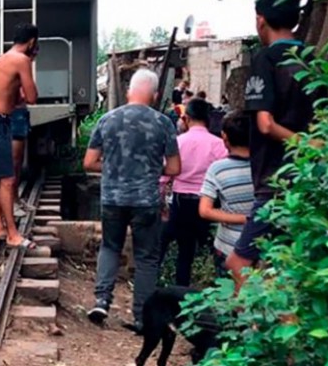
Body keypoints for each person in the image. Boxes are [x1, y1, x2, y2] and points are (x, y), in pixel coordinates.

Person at [224, 0, 314, 291]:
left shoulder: (266, 59)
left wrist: (302, 143)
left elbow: (265, 123)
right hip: (308, 182)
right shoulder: (313, 60)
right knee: (283, 265)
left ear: (260, 20)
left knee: (238, 263)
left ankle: (255, 332)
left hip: (275, 183)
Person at [83, 69, 180, 329]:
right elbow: (174, 168)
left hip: (113, 198)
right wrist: (148, 169)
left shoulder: (107, 120)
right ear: (156, 94)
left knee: (110, 247)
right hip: (146, 201)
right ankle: (142, 317)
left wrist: (116, 167)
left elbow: (89, 162)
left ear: (128, 92)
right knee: (147, 257)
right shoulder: (164, 123)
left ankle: (102, 301)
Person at [0, 23, 40, 250]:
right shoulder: (21, 60)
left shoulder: (4, 57)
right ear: (32, 42)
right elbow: (32, 97)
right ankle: (12, 234)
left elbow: (15, 97)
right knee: (7, 180)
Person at [159, 98, 227, 286]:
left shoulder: (178, 142)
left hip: (180, 203)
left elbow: (163, 177)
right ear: (208, 119)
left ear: (186, 118)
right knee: (204, 248)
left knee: (179, 249)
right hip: (208, 204)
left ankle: (177, 292)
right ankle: (207, 287)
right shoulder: (219, 145)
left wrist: (160, 201)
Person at [199, 112, 254, 277]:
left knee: (227, 297)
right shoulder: (266, 166)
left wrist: (243, 219)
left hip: (228, 246)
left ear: (224, 137)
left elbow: (205, 210)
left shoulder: (218, 169)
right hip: (261, 245)